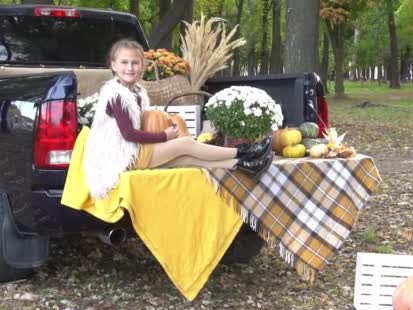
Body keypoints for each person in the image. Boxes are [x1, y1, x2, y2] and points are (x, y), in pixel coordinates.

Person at [83, 39, 273, 199]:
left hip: (134, 151)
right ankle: (244, 152)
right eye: (124, 63)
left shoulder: (137, 91)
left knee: (186, 158)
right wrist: (164, 136)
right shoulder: (116, 94)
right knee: (186, 144)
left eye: (135, 62)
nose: (130, 67)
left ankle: (244, 165)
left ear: (143, 65)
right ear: (113, 65)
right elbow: (129, 134)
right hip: (122, 157)